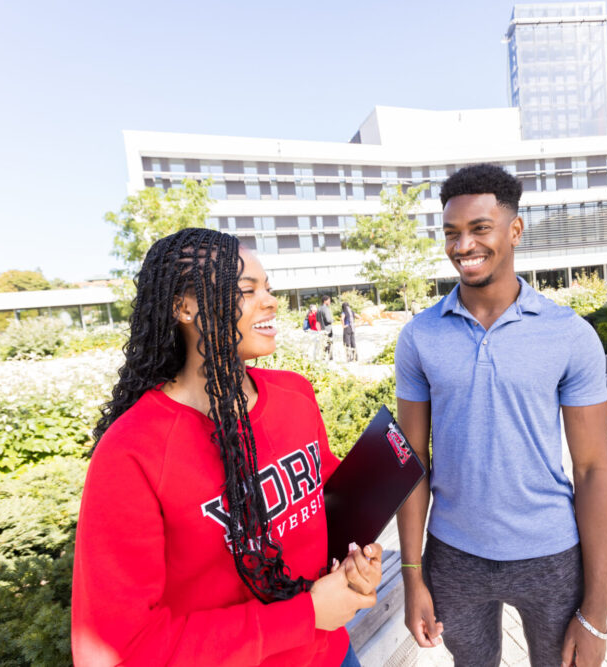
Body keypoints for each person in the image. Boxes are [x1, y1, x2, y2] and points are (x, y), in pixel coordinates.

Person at [71, 228, 382, 667]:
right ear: (184, 307)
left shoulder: (295, 394)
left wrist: (355, 564)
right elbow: (121, 651)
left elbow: (324, 505)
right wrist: (306, 613)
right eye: (247, 290)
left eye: (269, 288)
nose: (271, 301)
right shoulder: (132, 451)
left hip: (333, 653)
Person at [395, 164, 607, 667]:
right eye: (451, 233)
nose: (462, 245)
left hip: (552, 555)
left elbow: (592, 469)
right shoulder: (420, 336)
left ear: (514, 230)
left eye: (479, 228)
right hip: (453, 556)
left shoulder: (568, 334)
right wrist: (413, 577)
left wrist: (597, 612)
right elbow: (411, 464)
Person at [317, 295, 334, 360]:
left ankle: (323, 357)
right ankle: (330, 357)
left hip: (321, 329)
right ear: (325, 301)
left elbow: (317, 320)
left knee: (323, 344)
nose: (330, 302)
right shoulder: (326, 309)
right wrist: (333, 320)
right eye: (329, 300)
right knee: (329, 343)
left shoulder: (319, 308)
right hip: (328, 329)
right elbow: (328, 320)